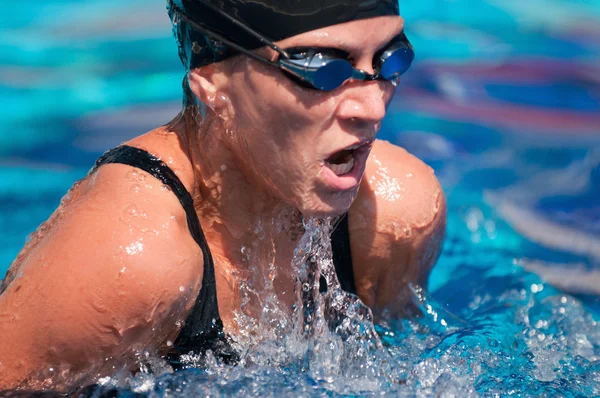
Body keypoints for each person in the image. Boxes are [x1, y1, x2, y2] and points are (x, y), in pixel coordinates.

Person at [0, 0, 446, 392]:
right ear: (211, 82)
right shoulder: (130, 258)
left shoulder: (391, 212)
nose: (373, 107)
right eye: (321, 70)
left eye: (391, 61)